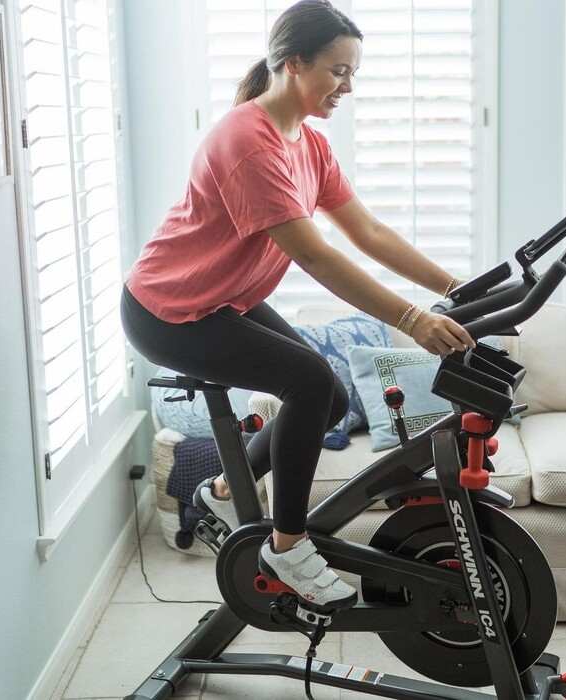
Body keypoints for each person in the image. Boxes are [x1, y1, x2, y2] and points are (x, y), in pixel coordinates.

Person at [120, 0, 475, 612]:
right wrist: (412, 320)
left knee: (330, 395)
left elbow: (367, 233)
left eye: (352, 73)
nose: (347, 86)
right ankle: (286, 547)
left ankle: (225, 491)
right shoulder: (248, 143)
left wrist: (454, 286)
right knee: (309, 380)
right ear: (292, 63)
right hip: (168, 311)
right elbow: (317, 257)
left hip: (222, 299)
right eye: (338, 71)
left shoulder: (307, 142)